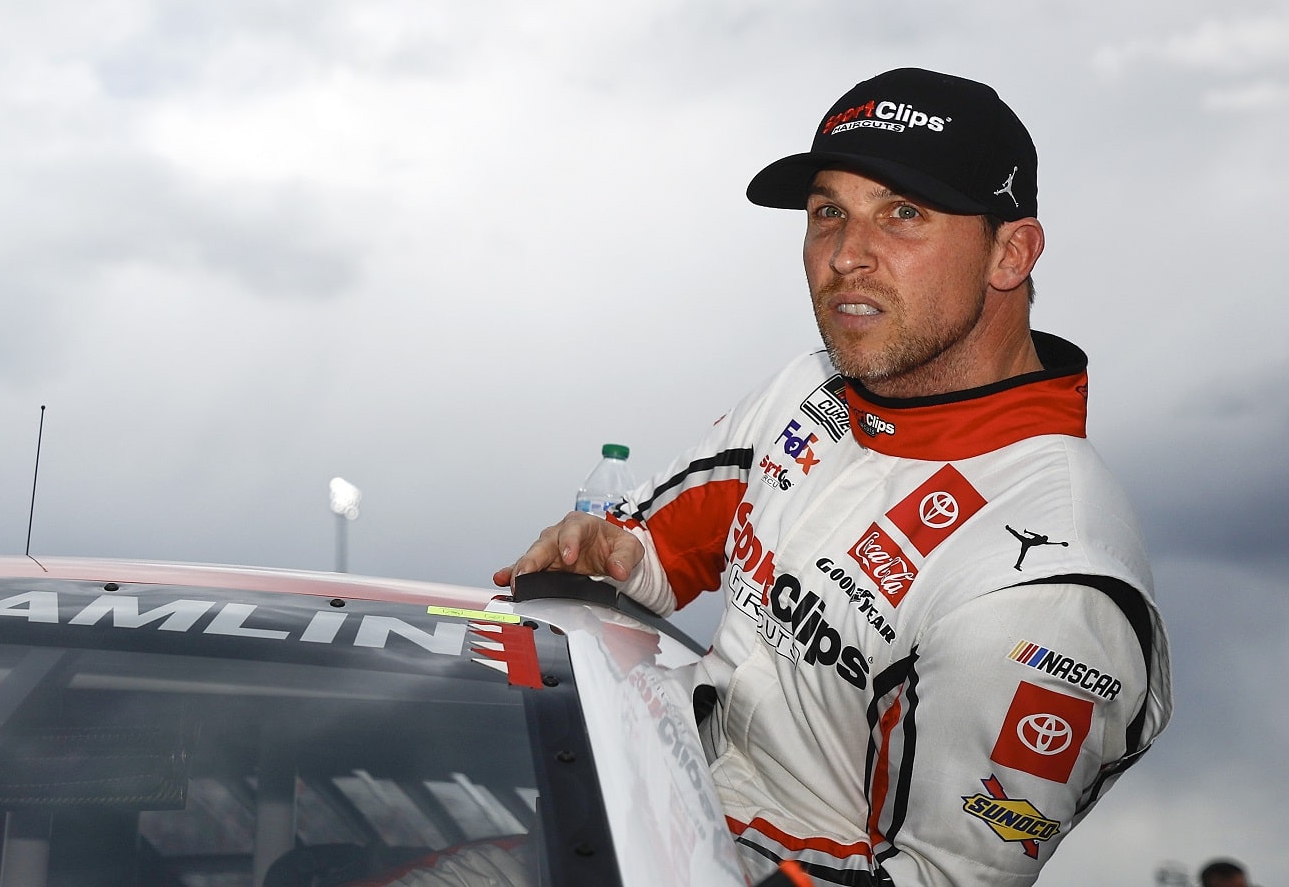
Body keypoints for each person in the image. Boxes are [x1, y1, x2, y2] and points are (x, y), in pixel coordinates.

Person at [494, 68, 1173, 886]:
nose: (847, 255)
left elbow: (939, 880)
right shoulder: (811, 391)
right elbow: (659, 554)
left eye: (904, 215)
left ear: (1010, 251)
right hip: (619, 817)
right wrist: (607, 550)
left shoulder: (1051, 581)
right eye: (827, 213)